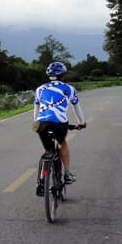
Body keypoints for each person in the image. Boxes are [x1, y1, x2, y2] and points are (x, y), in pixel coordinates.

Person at [33, 61, 86, 196]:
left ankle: (42, 180)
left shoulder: (39, 89)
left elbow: (36, 110)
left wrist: (37, 122)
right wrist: (81, 122)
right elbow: (76, 107)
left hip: (41, 123)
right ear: (63, 75)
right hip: (59, 123)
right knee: (62, 143)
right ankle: (67, 174)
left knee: (48, 151)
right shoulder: (69, 89)